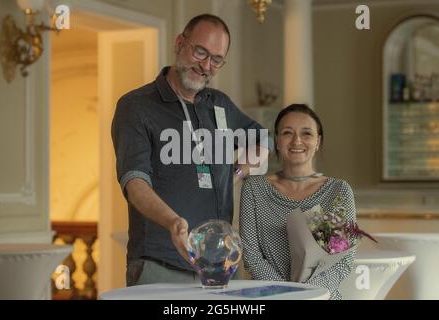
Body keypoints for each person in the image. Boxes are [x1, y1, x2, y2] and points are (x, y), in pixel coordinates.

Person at [111, 14, 270, 286]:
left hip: (217, 266)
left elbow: (263, 140)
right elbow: (135, 183)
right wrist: (173, 222)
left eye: (216, 59)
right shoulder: (136, 106)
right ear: (179, 43)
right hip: (160, 264)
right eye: (200, 52)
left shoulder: (220, 104)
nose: (206, 65)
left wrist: (237, 171)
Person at [239, 104, 356, 300]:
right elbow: (252, 257)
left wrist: (307, 296)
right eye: (287, 133)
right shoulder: (254, 188)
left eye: (307, 134)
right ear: (276, 141)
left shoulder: (337, 191)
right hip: (271, 298)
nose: (297, 141)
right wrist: (286, 296)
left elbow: (341, 261)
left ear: (318, 142)